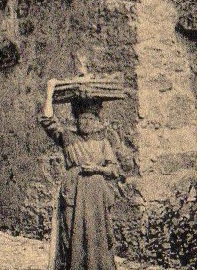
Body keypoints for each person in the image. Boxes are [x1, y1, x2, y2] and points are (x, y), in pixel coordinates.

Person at [40, 78, 121, 270]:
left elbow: (114, 170)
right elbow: (47, 121)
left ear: (97, 121)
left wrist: (97, 169)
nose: (86, 122)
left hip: (96, 194)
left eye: (90, 119)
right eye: (82, 118)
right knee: (70, 233)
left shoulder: (103, 141)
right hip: (73, 191)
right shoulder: (68, 138)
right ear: (76, 119)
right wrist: (50, 92)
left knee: (98, 234)